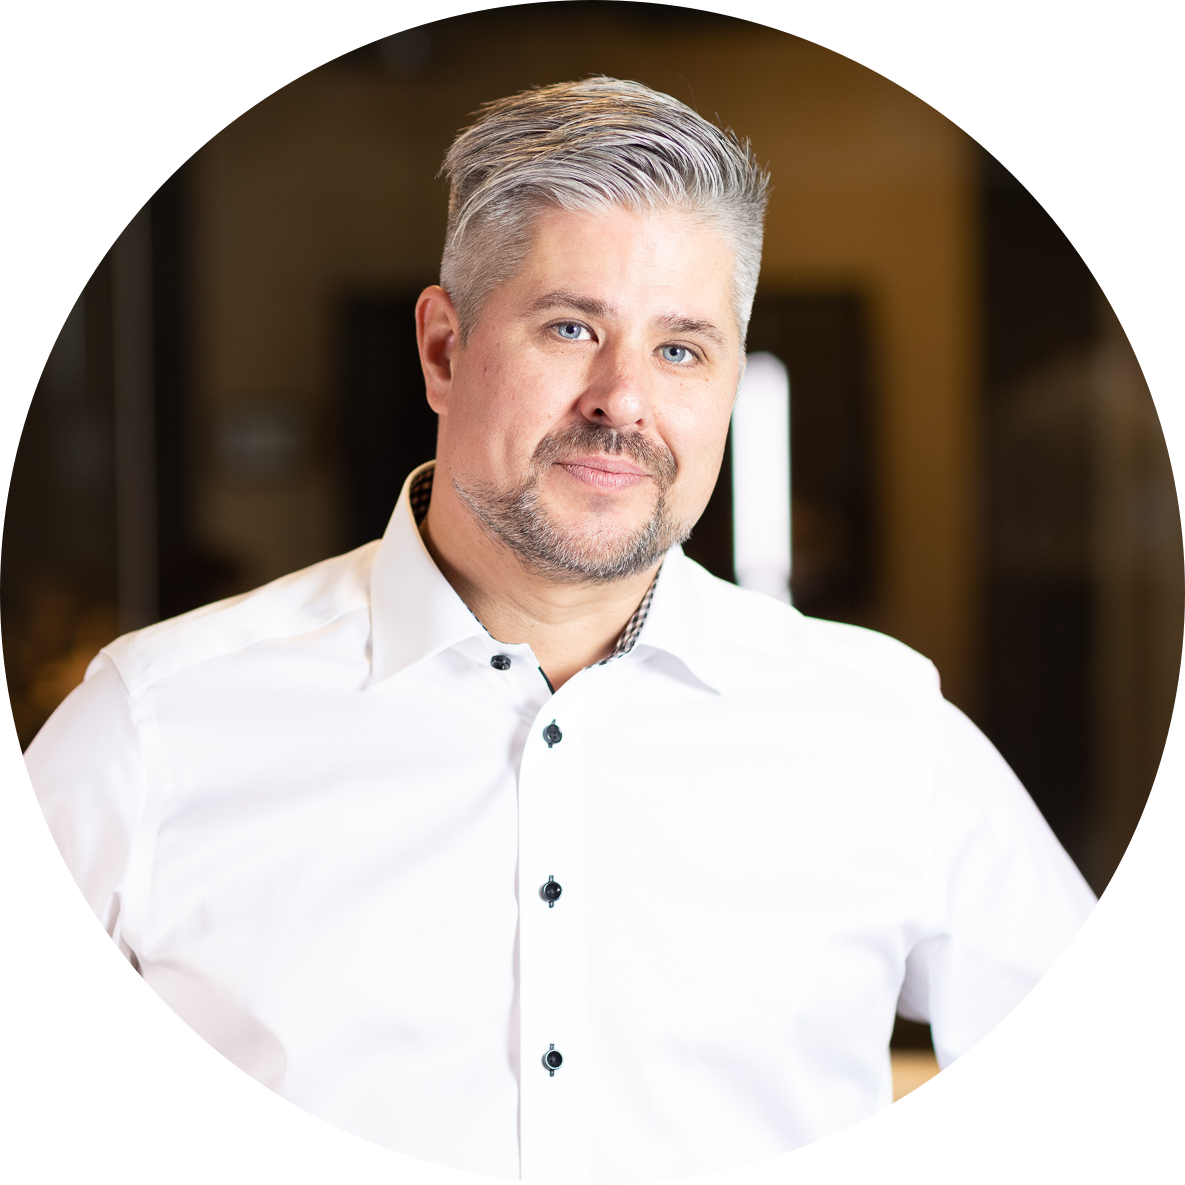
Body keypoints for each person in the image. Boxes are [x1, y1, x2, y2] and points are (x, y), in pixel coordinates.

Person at [25, 77, 1095, 1182]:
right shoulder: (155, 725)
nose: (622, 399)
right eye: (571, 327)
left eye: (681, 349)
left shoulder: (883, 729)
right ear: (443, 351)